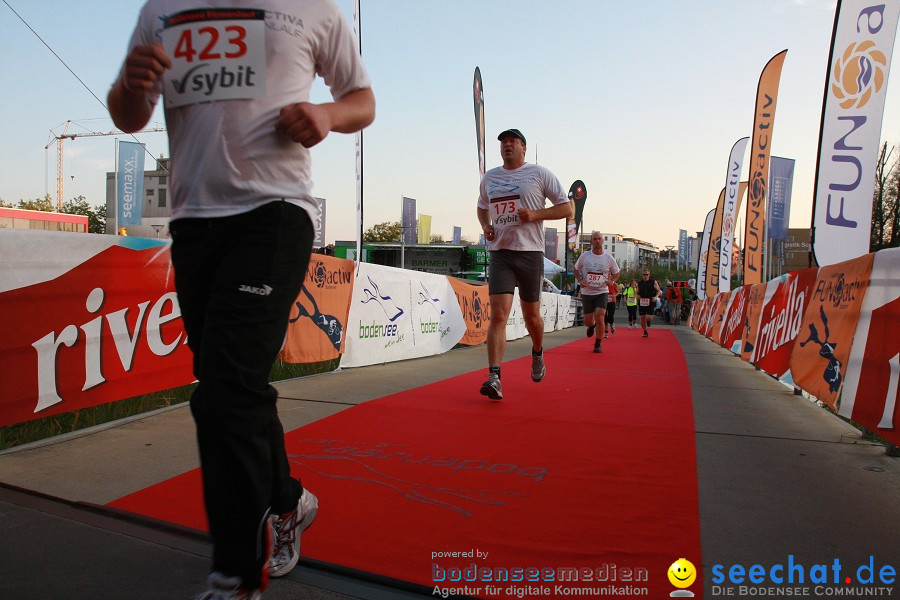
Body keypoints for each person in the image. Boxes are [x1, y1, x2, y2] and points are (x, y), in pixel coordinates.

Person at [108, 4, 375, 598]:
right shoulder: (162, 8)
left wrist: (326, 115)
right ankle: (287, 501)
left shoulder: (313, 9)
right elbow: (128, 116)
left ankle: (235, 575)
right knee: (234, 388)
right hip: (195, 222)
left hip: (274, 213)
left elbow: (362, 99)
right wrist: (130, 83)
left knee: (225, 390)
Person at [476, 128, 573, 399]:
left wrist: (535, 214)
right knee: (498, 315)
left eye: (513, 141)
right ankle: (494, 375)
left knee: (532, 318)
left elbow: (567, 208)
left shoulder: (539, 174)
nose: (507, 145)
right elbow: (482, 206)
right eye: (503, 142)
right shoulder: (490, 178)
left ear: (523, 148)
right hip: (501, 253)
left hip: (530, 253)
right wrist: (486, 225)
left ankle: (538, 351)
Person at [573, 231, 620, 352]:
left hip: (602, 291)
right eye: (595, 239)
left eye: (599, 239)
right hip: (587, 292)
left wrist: (612, 281)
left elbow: (617, 272)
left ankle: (598, 343)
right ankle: (591, 326)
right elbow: (576, 269)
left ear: (602, 241)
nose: (597, 241)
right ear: (591, 241)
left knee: (600, 316)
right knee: (588, 321)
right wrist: (580, 280)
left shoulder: (608, 258)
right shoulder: (585, 256)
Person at [637, 269, 661, 338]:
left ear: (649, 275)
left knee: (648, 317)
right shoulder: (639, 283)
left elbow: (659, 291)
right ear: (642, 275)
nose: (645, 276)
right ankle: (645, 331)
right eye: (644, 274)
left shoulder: (653, 282)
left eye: (647, 274)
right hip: (642, 302)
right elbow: (636, 292)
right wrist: (637, 296)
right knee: (642, 318)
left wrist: (656, 297)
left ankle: (648, 321)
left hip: (650, 301)